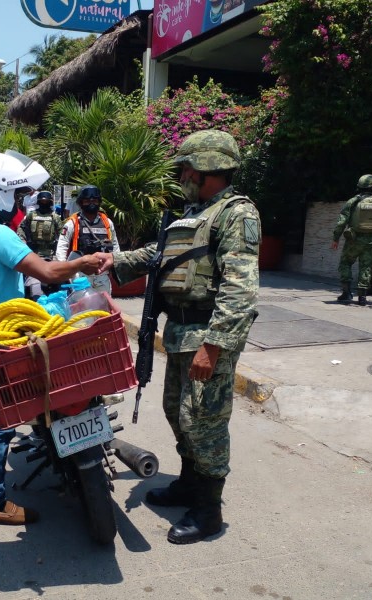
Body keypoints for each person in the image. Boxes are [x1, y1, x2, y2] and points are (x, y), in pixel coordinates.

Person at [98, 129, 261, 545]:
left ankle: (209, 511)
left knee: (203, 421)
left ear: (207, 167)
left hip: (208, 334)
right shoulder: (195, 212)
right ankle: (189, 484)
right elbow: (159, 255)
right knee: (177, 411)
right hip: (180, 333)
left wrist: (215, 344)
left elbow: (240, 289)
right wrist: (110, 261)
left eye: (187, 167)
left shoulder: (236, 214)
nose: (182, 173)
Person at [0, 151, 105, 527]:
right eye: (17, 197)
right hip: (2, 343)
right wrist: (82, 263)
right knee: (1, 422)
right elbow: (49, 271)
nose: (20, 204)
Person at [330, 175, 372, 306]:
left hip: (354, 240)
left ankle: (346, 293)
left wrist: (336, 238)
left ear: (359, 187)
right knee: (366, 267)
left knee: (345, 263)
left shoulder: (353, 201)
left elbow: (341, 222)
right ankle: (362, 298)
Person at [55, 185, 120, 293]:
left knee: (103, 308)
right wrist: (64, 271)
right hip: (79, 275)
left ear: (99, 202)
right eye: (87, 201)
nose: (91, 203)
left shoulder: (107, 222)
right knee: (82, 308)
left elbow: (115, 245)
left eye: (94, 200)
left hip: (102, 275)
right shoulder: (73, 222)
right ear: (81, 203)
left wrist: (117, 266)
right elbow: (62, 246)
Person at [17, 191, 64, 299]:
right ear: (38, 202)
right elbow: (21, 228)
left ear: (50, 203)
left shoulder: (54, 217)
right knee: (34, 284)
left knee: (59, 281)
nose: (44, 203)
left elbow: (62, 234)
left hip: (51, 254)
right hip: (34, 252)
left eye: (46, 202)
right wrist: (22, 240)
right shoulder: (31, 215)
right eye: (42, 202)